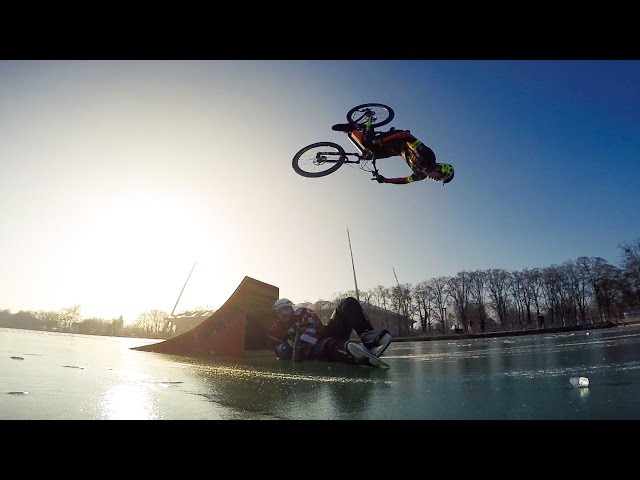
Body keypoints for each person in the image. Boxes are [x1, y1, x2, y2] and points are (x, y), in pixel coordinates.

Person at [268, 297, 392, 366]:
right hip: (310, 352)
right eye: (280, 311)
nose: (284, 313)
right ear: (276, 314)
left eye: (287, 309)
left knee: (347, 302)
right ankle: (355, 357)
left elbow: (318, 327)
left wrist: (302, 335)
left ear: (291, 309)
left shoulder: (302, 312)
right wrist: (292, 340)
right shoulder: (275, 331)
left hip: (323, 336)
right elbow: (281, 353)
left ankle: (369, 338)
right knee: (329, 345)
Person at [331, 122, 455, 185]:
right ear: (440, 168)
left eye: (440, 180)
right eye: (440, 177)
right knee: (369, 142)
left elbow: (404, 180)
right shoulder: (427, 155)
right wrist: (383, 140)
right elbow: (407, 136)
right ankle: (352, 127)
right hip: (397, 139)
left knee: (369, 155)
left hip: (393, 151)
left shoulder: (420, 175)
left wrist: (385, 180)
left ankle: (347, 151)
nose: (437, 180)